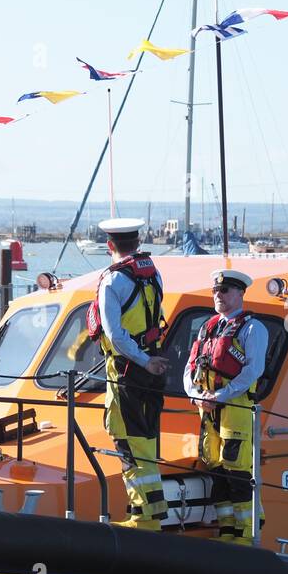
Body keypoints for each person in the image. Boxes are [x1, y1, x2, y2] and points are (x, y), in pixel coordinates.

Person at [86, 218, 170, 530]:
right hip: (152, 364)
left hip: (127, 369)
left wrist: (142, 361)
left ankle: (144, 518)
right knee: (144, 439)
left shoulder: (112, 281)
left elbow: (115, 334)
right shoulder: (153, 274)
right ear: (137, 242)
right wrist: (150, 360)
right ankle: (148, 512)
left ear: (110, 245)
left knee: (130, 441)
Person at [183, 269, 269, 545]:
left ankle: (246, 533)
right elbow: (191, 366)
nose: (218, 295)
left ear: (240, 293)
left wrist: (219, 395)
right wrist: (194, 393)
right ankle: (227, 530)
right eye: (215, 291)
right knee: (216, 469)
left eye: (225, 291)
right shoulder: (207, 327)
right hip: (207, 409)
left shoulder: (253, 328)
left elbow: (251, 372)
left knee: (239, 470)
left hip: (236, 409)